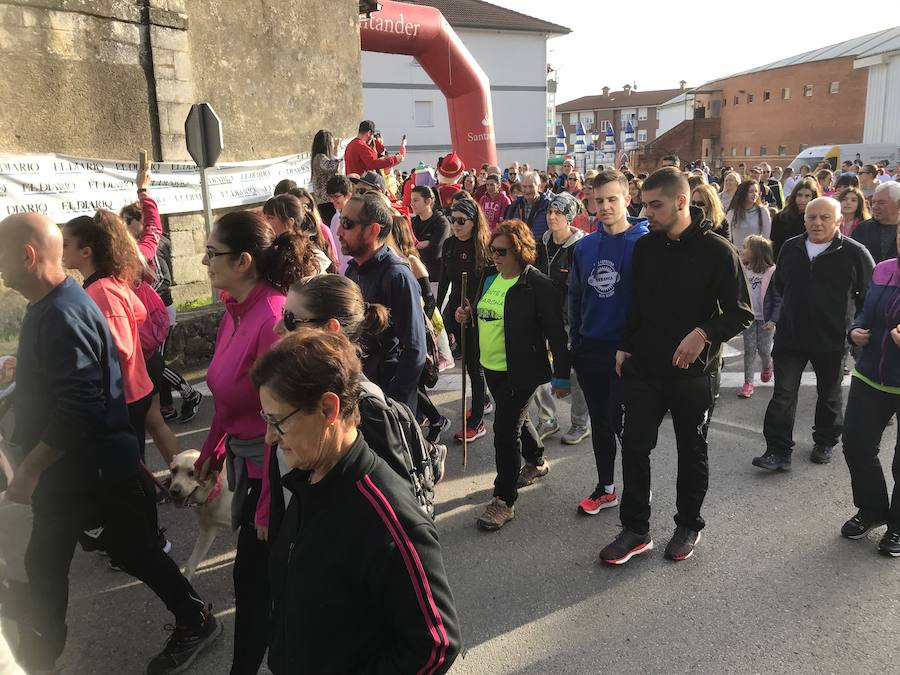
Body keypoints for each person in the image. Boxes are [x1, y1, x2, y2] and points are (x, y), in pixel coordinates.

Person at [0, 213, 220, 675]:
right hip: (80, 471)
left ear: (27, 254)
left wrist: (31, 468)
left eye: (1, 255)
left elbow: (81, 403)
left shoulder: (64, 310)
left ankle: (195, 619)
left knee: (126, 551)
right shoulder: (55, 304)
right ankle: (42, 656)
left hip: (91, 469)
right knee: (53, 561)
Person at [254, 329, 460, 673]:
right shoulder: (309, 479)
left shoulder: (387, 516)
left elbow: (435, 645)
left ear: (328, 409)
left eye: (279, 421)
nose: (270, 436)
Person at [598, 167, 753, 565]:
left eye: (654, 205)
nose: (644, 212)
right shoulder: (645, 247)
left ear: (681, 202)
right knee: (634, 447)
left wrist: (703, 332)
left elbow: (740, 314)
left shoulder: (718, 250)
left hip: (694, 375)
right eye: (643, 204)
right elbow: (636, 304)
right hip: (645, 370)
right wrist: (625, 346)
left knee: (691, 450)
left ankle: (688, 524)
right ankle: (635, 530)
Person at [194, 210, 314, 674]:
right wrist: (210, 450)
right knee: (256, 582)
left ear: (243, 261)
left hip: (274, 473)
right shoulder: (235, 310)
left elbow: (281, 419)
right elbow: (226, 396)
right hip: (249, 466)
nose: (205, 262)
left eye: (211, 253)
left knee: (256, 582)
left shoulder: (268, 319)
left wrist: (266, 504)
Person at [455, 219, 571, 530]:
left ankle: (504, 500)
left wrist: (562, 376)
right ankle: (536, 462)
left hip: (522, 370)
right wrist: (468, 315)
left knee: (505, 430)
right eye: (492, 250)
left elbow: (557, 336)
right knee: (516, 418)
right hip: (491, 366)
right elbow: (484, 313)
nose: (495, 256)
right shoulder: (490, 277)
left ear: (520, 251)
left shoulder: (539, 286)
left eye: (502, 251)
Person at [753, 198, 875, 471]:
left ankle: (825, 440)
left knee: (829, 395)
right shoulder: (790, 247)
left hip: (831, 338)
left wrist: (857, 327)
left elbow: (871, 295)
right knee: (783, 394)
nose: (817, 223)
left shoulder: (855, 252)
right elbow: (779, 285)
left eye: (824, 218)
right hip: (791, 336)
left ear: (838, 220)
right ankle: (778, 451)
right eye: (812, 217)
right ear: (804, 219)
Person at [569, 170, 649, 515]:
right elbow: (574, 298)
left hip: (629, 353)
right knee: (601, 424)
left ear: (627, 200)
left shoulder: (644, 242)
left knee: (628, 430)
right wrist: (575, 343)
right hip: (591, 349)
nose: (604, 207)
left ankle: (637, 495)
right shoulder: (584, 246)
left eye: (611, 199)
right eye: (598, 200)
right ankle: (606, 487)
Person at [62, 212, 158, 464]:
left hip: (123, 395)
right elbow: (139, 313)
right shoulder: (109, 282)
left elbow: (121, 347)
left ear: (86, 251)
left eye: (65, 245)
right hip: (132, 389)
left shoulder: (101, 290)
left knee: (128, 468)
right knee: (133, 463)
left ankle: (142, 500)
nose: (61, 251)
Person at [121, 175, 202, 424]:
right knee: (155, 361)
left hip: (158, 312)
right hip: (148, 314)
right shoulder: (134, 248)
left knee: (154, 363)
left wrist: (144, 193)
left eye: (128, 221)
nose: (124, 226)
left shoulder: (144, 250)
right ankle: (166, 406)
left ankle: (190, 394)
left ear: (140, 221)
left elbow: (160, 280)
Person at [841, 230, 900, 556]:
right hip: (869, 376)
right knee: (856, 446)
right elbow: (866, 311)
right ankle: (873, 509)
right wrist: (855, 330)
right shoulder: (884, 268)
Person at [342, 193, 427, 414]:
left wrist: (394, 403)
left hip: (387, 398)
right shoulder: (352, 269)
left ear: (373, 230)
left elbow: (415, 349)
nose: (338, 232)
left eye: (347, 224)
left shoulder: (397, 276)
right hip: (361, 389)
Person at [532, 192, 587, 443]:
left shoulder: (580, 246)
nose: (552, 217)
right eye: (550, 212)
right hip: (542, 314)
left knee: (574, 372)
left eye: (559, 213)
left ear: (570, 217)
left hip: (568, 318)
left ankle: (579, 423)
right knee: (535, 366)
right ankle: (547, 418)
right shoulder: (542, 241)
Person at [436, 199, 492, 442]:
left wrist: (472, 309)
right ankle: (485, 400)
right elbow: (444, 280)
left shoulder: (484, 246)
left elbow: (489, 283)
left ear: (474, 221)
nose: (455, 225)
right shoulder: (449, 244)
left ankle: (477, 421)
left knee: (474, 366)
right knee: (468, 363)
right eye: (452, 219)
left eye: (461, 220)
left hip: (477, 313)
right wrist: (436, 311)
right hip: (455, 312)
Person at [737, 235, 776, 398]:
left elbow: (778, 298)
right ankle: (748, 383)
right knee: (749, 350)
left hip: (766, 320)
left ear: (756, 252)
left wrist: (774, 319)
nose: (742, 249)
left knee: (764, 349)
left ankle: (768, 365)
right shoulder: (743, 270)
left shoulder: (772, 271)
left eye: (746, 247)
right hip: (749, 318)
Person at [262, 193, 336, 274]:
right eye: (264, 218)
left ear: (289, 222)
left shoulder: (307, 256)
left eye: (270, 218)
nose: (264, 222)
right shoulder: (272, 249)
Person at [770, 177, 820, 259]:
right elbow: (775, 245)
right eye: (799, 195)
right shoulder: (780, 218)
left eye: (807, 196)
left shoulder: (818, 220)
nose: (802, 200)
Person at [851, 181, 900, 264]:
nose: (875, 207)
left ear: (898, 204)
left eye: (881, 203)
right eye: (873, 202)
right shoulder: (863, 229)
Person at [410, 185, 450, 283]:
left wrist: (413, 249)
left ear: (428, 201)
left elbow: (434, 253)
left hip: (434, 278)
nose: (412, 204)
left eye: (415, 200)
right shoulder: (413, 222)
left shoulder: (441, 222)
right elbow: (403, 246)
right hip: (414, 276)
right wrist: (419, 245)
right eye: (411, 201)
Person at [504, 171, 552, 240]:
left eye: (531, 186)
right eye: (524, 187)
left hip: (540, 248)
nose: (527, 190)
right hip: (519, 248)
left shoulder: (547, 206)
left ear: (538, 186)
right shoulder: (514, 206)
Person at [726, 178, 772, 247]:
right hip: (737, 253)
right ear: (743, 193)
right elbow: (728, 236)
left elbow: (766, 236)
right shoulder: (732, 213)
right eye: (751, 192)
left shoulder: (763, 212)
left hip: (757, 253)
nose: (754, 194)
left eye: (756, 191)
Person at [310, 128, 342, 224]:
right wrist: (337, 149)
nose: (333, 146)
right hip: (326, 201)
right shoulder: (320, 158)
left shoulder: (319, 158)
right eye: (331, 143)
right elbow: (334, 166)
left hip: (325, 201)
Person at [325, 174, 355, 274]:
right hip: (340, 270)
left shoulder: (357, 218)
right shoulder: (335, 217)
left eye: (337, 196)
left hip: (353, 269)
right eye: (331, 197)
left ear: (348, 195)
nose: (333, 200)